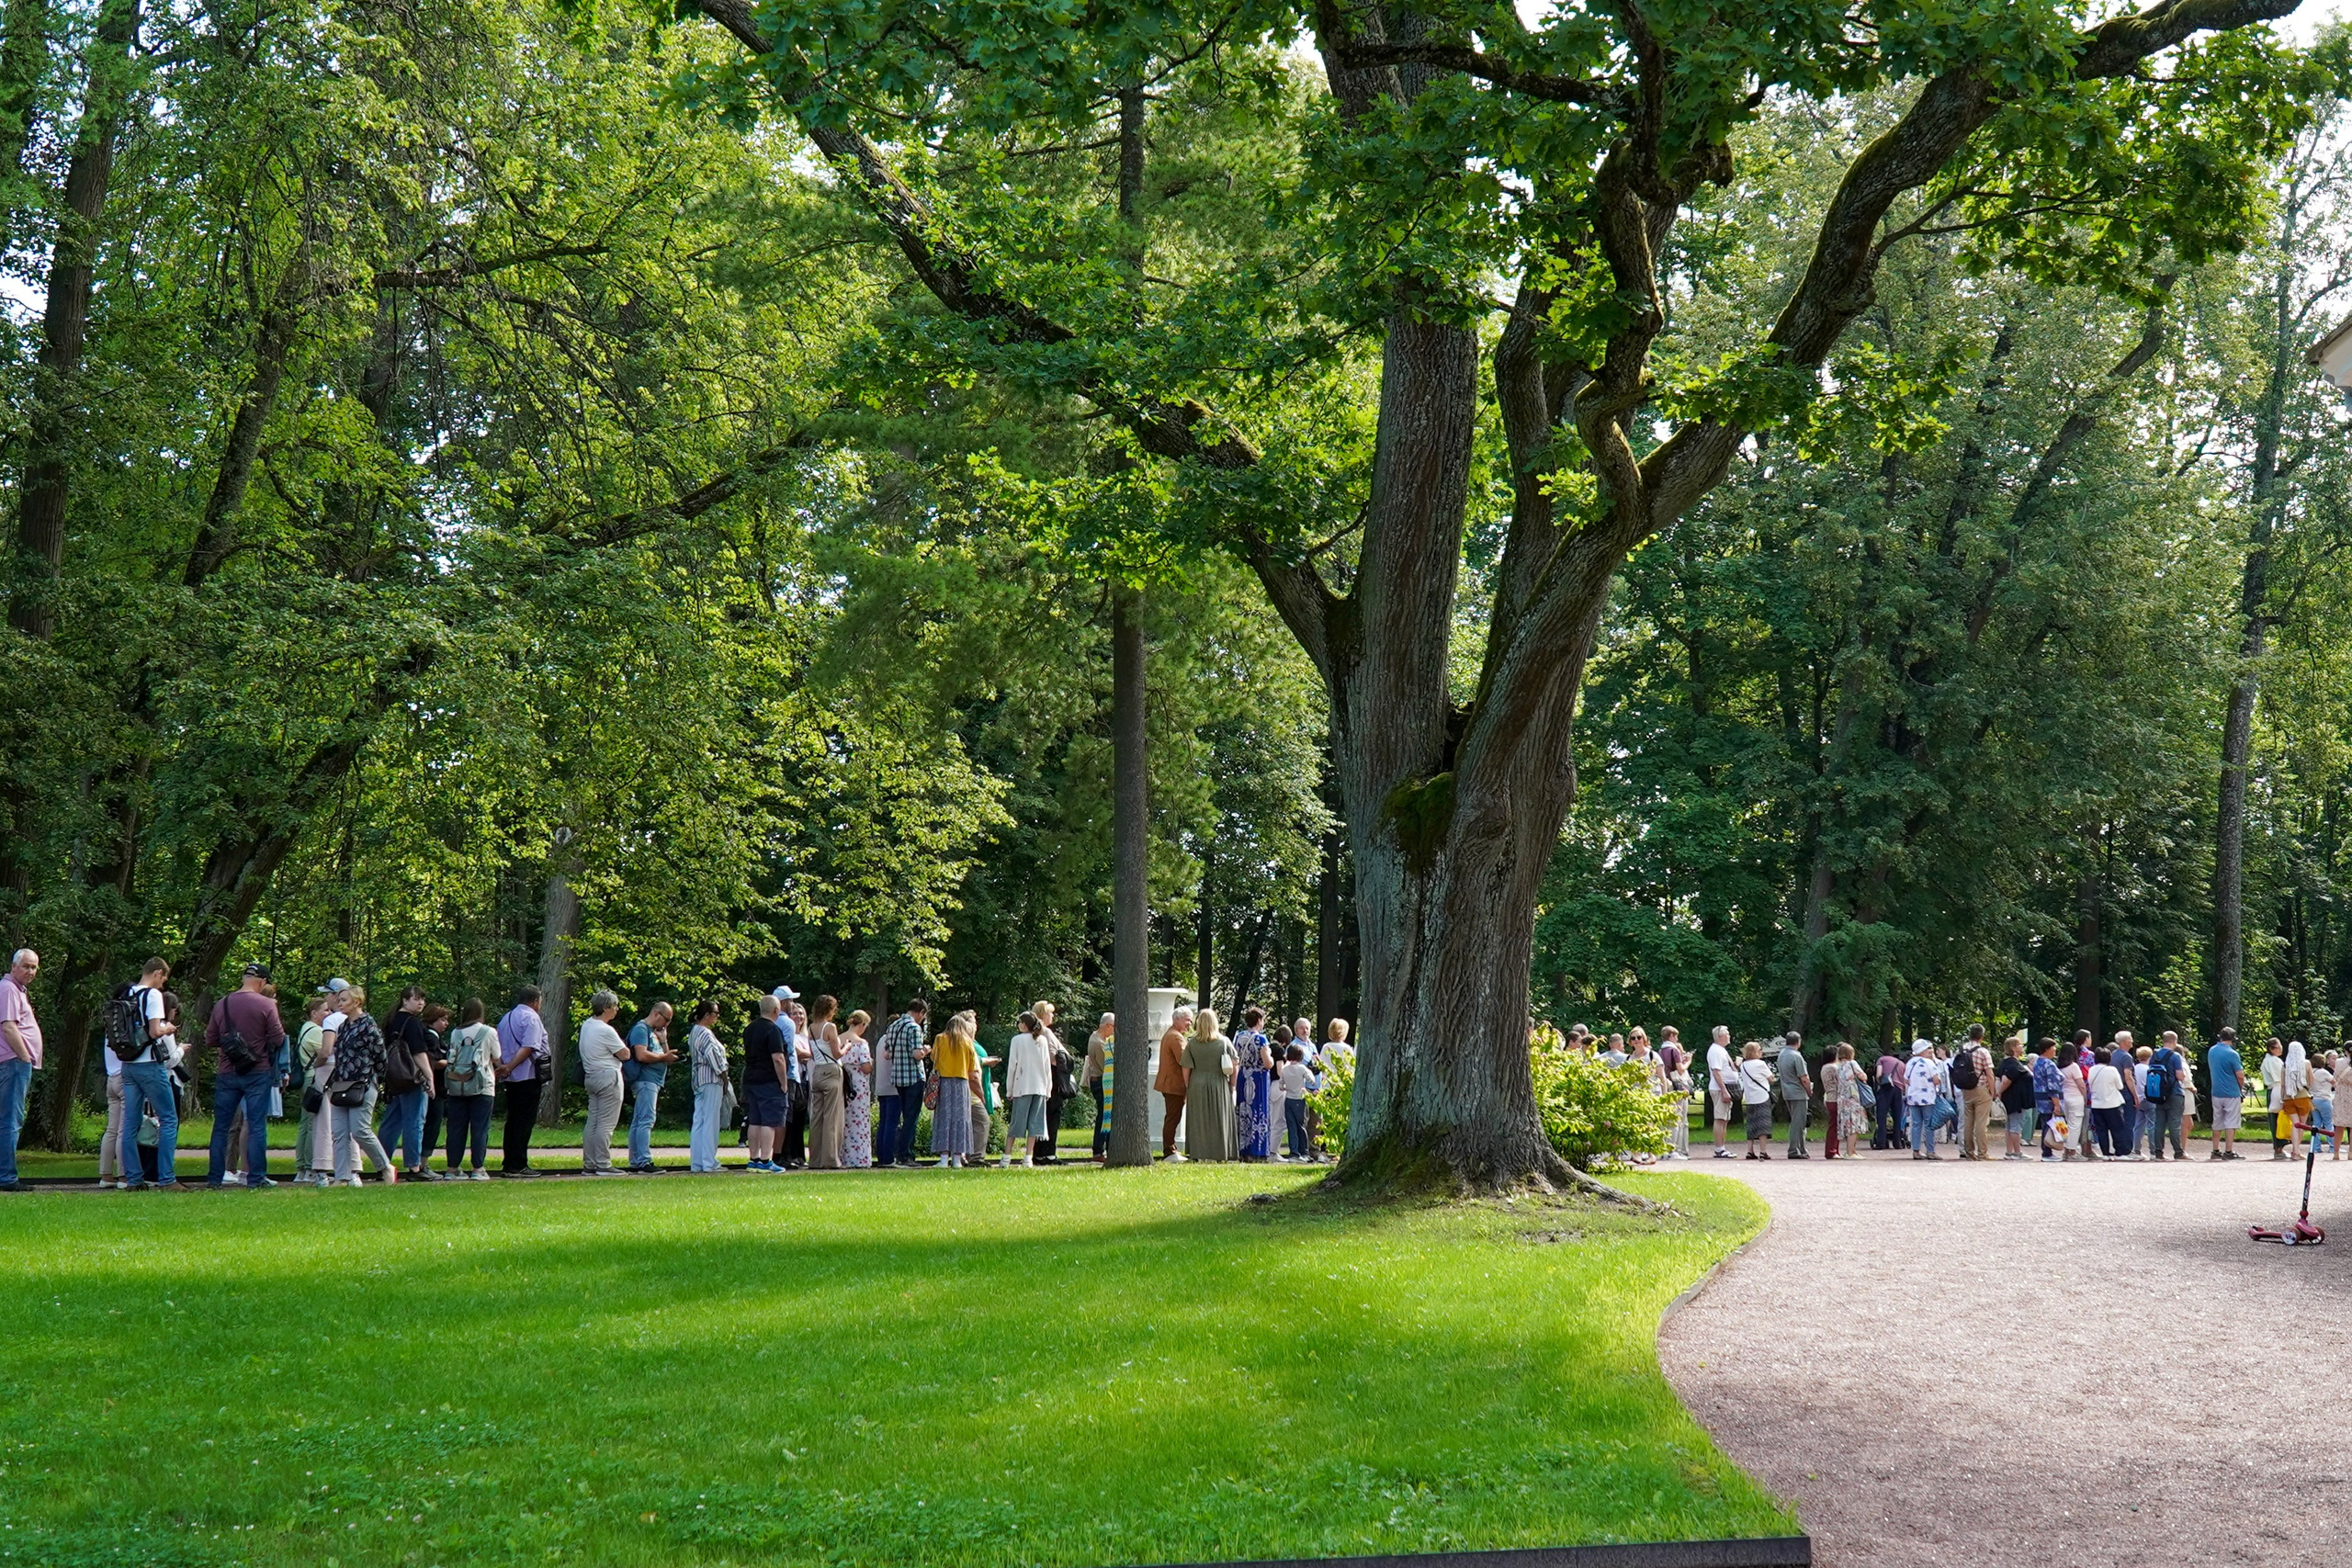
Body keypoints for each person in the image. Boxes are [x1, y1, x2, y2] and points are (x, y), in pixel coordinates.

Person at [202, 962, 288, 1189]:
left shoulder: (222, 1003)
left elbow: (211, 1039)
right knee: (257, 1126)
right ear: (262, 982)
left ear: (243, 978)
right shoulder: (266, 1004)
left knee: (221, 1127)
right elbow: (278, 1038)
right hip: (257, 1070)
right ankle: (255, 1178)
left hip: (227, 1070)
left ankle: (214, 1179)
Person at [117, 958, 184, 1190]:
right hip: (149, 1064)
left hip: (128, 1064)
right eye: (163, 978)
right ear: (157, 973)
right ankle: (167, 1178)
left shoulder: (127, 993)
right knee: (169, 1119)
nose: (163, 984)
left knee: (131, 1123)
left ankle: (134, 1178)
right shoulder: (152, 995)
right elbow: (155, 1031)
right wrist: (168, 1028)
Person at [324, 985, 394, 1186]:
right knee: (339, 1133)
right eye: (339, 1000)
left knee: (360, 1130)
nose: (339, 1003)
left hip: (363, 1083)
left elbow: (381, 1057)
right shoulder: (343, 1026)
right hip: (341, 1083)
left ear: (357, 1002)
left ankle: (385, 1167)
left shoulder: (368, 1026)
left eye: (344, 1000)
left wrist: (376, 1079)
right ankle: (342, 1177)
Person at [375, 987, 433, 1179]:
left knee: (392, 1121)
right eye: (416, 999)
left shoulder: (391, 1021)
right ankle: (414, 1166)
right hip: (412, 1077)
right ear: (405, 1001)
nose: (421, 1003)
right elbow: (418, 1052)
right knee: (414, 1121)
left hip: (394, 1077)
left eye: (422, 999)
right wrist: (429, 1077)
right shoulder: (412, 1022)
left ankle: (382, 1164)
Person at [494, 986, 551, 1176]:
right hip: (527, 1075)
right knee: (524, 1121)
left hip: (510, 1078)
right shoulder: (531, 1018)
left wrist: (503, 1066)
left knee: (513, 1120)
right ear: (535, 1001)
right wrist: (510, 1066)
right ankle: (518, 1164)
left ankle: (509, 1162)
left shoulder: (507, 1018)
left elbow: (498, 1045)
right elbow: (529, 1047)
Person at [439, 998, 496, 1179]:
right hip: (482, 1085)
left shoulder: (456, 1032)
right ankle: (478, 1169)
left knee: (456, 1128)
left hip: (457, 1084)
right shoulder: (488, 1032)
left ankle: (452, 1168)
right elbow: (497, 1056)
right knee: (480, 1128)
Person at [577, 990, 631, 1176]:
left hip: (591, 1076)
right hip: (608, 1077)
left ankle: (589, 1163)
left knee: (593, 1122)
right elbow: (625, 1054)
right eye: (615, 1006)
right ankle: (603, 1163)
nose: (616, 1009)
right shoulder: (606, 1030)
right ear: (606, 1007)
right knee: (606, 1124)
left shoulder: (587, 1026)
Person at [0, 949, 40, 1192]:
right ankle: (6, 1177)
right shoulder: (8, 989)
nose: (30, 971)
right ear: (14, 966)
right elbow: (8, 1027)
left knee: (8, 1119)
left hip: (14, 1062)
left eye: (34, 967)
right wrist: (24, 1057)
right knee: (10, 1121)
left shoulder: (16, 990)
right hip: (13, 1062)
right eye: (26, 966)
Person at [874, 998, 928, 1168]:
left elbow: (887, 1054)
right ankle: (905, 1155)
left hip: (898, 1078)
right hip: (913, 1077)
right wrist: (926, 1051)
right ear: (921, 1012)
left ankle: (897, 1154)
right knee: (911, 1119)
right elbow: (917, 1054)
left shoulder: (893, 1026)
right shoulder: (914, 1028)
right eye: (923, 1016)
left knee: (902, 1118)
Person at [1181, 1008, 1239, 1162]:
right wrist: (1232, 1085)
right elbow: (1235, 1065)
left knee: (1199, 1120)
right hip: (1219, 1082)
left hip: (1197, 1082)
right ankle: (1221, 1153)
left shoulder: (1192, 1043)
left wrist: (1188, 1086)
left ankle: (1198, 1153)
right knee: (1219, 1119)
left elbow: (1185, 1068)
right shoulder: (1224, 1042)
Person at [625, 1000, 677, 1174]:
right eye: (666, 1020)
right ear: (656, 1013)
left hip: (652, 1081)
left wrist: (664, 1041)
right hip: (645, 1080)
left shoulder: (654, 1032)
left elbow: (666, 1056)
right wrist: (663, 1057)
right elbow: (641, 1055)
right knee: (646, 1120)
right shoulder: (641, 1029)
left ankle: (636, 1160)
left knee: (639, 1120)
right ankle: (644, 1161)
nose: (666, 1024)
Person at [741, 996, 789, 1171]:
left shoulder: (749, 1029)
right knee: (770, 1121)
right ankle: (766, 1160)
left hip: (751, 1079)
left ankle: (753, 1159)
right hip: (769, 1080)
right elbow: (778, 1058)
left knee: (755, 1120)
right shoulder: (773, 1030)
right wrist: (784, 1083)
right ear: (776, 1010)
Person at [289, 993, 333, 1184]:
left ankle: (302, 1168)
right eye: (325, 1010)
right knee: (312, 1124)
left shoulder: (306, 1028)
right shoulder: (316, 1031)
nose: (329, 1013)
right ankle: (309, 1167)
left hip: (307, 1079)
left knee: (305, 1122)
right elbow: (328, 1052)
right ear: (314, 1013)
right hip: (313, 1080)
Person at [1000, 1010, 1052, 1168]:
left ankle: (1006, 1157)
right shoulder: (1042, 1040)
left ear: (1024, 1025)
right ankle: (1028, 1157)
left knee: (1017, 1122)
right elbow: (1047, 1066)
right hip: (1040, 1087)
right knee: (1035, 1124)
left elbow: (1012, 1066)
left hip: (1022, 1086)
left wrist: (1009, 1089)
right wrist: (1048, 1088)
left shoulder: (1017, 1040)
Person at [930, 1011, 979, 1168]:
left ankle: (944, 1158)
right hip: (962, 1083)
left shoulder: (940, 1038)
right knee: (961, 1119)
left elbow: (933, 1058)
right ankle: (957, 1159)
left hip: (944, 1082)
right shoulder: (967, 1041)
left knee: (944, 1118)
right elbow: (972, 1066)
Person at [684, 1002, 729, 1173]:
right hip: (711, 1079)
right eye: (716, 1013)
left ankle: (697, 1162)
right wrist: (725, 1079)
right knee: (711, 1120)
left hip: (699, 1079)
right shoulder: (706, 1033)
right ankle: (710, 1162)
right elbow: (715, 1059)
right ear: (707, 1014)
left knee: (699, 1121)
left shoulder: (694, 1032)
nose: (717, 1017)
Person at [806, 995, 845, 1170]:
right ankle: (830, 1160)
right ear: (830, 1010)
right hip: (831, 1071)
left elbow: (813, 1053)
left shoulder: (811, 1028)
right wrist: (847, 1047)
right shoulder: (830, 1027)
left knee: (816, 1118)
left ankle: (814, 1159)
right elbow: (837, 1054)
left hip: (817, 1071)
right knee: (831, 1117)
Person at [1231, 1007, 1275, 1161]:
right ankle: (1257, 1149)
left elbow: (1236, 1058)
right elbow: (1268, 1063)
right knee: (1259, 1110)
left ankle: (1242, 1148)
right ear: (1259, 1020)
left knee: (1243, 1111)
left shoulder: (1239, 1037)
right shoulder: (1261, 1040)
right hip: (1258, 1079)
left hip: (1243, 1076)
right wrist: (1272, 1057)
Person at [774, 987, 808, 1168]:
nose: (793, 1004)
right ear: (784, 1003)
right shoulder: (786, 1023)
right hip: (789, 1075)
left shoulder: (771, 1022)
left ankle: (782, 1154)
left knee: (786, 1117)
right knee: (787, 1117)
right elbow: (787, 1051)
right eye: (790, 1001)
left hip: (783, 1075)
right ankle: (784, 1155)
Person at [1156, 1005, 1194, 1160]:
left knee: (1172, 1116)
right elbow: (1184, 1060)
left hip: (1170, 1083)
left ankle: (1170, 1147)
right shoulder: (1176, 1037)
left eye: (1190, 1021)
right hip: (1174, 1085)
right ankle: (1169, 1149)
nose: (1189, 1024)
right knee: (1173, 1117)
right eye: (1187, 1020)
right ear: (1176, 1019)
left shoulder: (1171, 1034)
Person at [1952, 1023, 1993, 1161]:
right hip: (1981, 1088)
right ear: (1982, 1036)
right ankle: (1983, 1153)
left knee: (1968, 1122)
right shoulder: (1983, 1052)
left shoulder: (1960, 1050)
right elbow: (1989, 1074)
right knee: (1981, 1123)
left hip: (1965, 1089)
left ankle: (1969, 1152)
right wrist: (1992, 1091)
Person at [840, 1009, 874, 1168]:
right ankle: (859, 1158)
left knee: (844, 1121)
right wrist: (871, 1063)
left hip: (843, 1083)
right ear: (862, 1024)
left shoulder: (838, 1039)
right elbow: (866, 1067)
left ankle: (843, 1156)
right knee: (859, 1121)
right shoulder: (861, 1043)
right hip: (858, 1086)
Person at [1822, 1043, 1867, 1159]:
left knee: (1841, 1124)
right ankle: (1847, 1152)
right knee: (1852, 1124)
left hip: (1840, 1098)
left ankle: (1839, 1151)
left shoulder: (1838, 1067)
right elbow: (1862, 1076)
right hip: (1851, 1097)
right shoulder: (1850, 1064)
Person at [1903, 1040, 1944, 1160]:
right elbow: (1936, 1080)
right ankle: (1930, 1151)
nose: (1930, 1051)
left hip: (1913, 1097)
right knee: (1929, 1124)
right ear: (1922, 1051)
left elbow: (1905, 1079)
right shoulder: (1929, 1063)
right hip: (1927, 1098)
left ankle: (1916, 1151)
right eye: (1928, 1049)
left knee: (1916, 1124)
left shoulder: (1910, 1063)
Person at [2209, 1028, 2245, 1160]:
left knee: (2217, 1121)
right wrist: (2241, 1089)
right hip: (2231, 1092)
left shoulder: (2212, 1051)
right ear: (2233, 1039)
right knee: (2231, 1122)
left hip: (2216, 1091)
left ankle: (2215, 1150)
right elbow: (2240, 1075)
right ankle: (2228, 1151)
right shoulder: (2232, 1054)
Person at [1996, 1036, 2036, 1159]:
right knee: (2015, 1126)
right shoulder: (2013, 1064)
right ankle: (2017, 1152)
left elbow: (1999, 1078)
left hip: (2010, 1099)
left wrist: (1998, 1093)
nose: (2022, 1046)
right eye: (2019, 1045)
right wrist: (1998, 1092)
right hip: (2016, 1100)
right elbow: (2005, 1080)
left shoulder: (2005, 1062)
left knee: (2009, 1126)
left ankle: (2009, 1152)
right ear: (2013, 1048)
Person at [1776, 1032, 1813, 1158]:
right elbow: (1804, 1078)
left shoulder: (1782, 1054)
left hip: (1787, 1092)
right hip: (1798, 1092)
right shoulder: (1796, 1056)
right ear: (1798, 1041)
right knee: (1798, 1123)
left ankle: (1801, 1148)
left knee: (1797, 1121)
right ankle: (1794, 1150)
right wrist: (1809, 1091)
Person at [2088, 1045, 2129, 1157]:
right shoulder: (2112, 1070)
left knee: (2101, 1130)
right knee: (2117, 1129)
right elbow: (2120, 1086)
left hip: (2096, 1104)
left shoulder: (2091, 1069)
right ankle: (2120, 1152)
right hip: (2112, 1104)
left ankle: (2105, 1153)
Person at [1085, 1012, 1115, 1161]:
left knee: (1105, 1115)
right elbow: (1107, 1067)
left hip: (1099, 1080)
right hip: (1101, 1082)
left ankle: (1106, 1149)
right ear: (1108, 1026)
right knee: (1104, 1116)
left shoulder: (1097, 1038)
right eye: (1114, 1027)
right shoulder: (1099, 1043)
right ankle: (1098, 1151)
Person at [1738, 1040, 1776, 1158]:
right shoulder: (1760, 1064)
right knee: (1763, 1124)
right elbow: (1771, 1079)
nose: (1761, 1052)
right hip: (1762, 1096)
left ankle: (1750, 1151)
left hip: (1750, 1098)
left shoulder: (1743, 1065)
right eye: (1760, 1050)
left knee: (1751, 1124)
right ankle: (1763, 1151)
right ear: (1755, 1052)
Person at [1278, 1043, 1315, 1159]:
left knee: (1291, 1126)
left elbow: (1280, 1086)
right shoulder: (1302, 1068)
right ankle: (1304, 1152)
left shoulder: (1284, 1070)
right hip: (1300, 1098)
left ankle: (1294, 1152)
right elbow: (1312, 1081)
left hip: (1288, 1099)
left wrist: (1287, 1087)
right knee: (1301, 1126)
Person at [2278, 1040, 2312, 1160]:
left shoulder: (2285, 1065)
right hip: (2302, 1096)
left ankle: (2295, 1151)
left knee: (2294, 1125)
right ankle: (2296, 1151)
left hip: (2288, 1097)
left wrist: (2282, 1098)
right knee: (2301, 1125)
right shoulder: (2306, 1063)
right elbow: (2311, 1080)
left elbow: (2283, 1085)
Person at [1706, 1025, 1736, 1158]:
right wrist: (1724, 1090)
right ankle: (1719, 1148)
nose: (1729, 1036)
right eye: (1727, 1034)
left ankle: (1722, 1147)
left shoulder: (1721, 1050)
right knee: (1720, 1118)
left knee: (1724, 1119)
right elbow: (1716, 1072)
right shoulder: (1716, 1051)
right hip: (1719, 1088)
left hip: (1724, 1087)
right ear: (1720, 1036)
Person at [2310, 1049, 2335, 1159]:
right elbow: (2334, 1082)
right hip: (2324, 1099)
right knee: (2329, 1123)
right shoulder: (2323, 1072)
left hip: (2313, 1099)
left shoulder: (2310, 1072)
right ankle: (2333, 1147)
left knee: (2316, 1124)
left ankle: (2316, 1147)